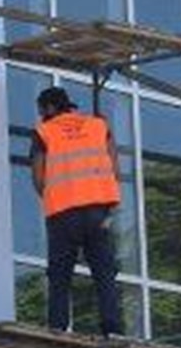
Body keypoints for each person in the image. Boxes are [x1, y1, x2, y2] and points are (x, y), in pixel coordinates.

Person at [29, 86, 122, 334]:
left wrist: (51, 195)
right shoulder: (98, 125)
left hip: (63, 213)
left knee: (60, 275)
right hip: (98, 210)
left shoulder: (44, 132)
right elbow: (114, 166)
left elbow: (39, 177)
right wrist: (107, 200)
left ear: (49, 108)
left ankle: (58, 326)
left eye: (41, 110)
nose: (40, 116)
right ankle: (111, 325)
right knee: (104, 271)